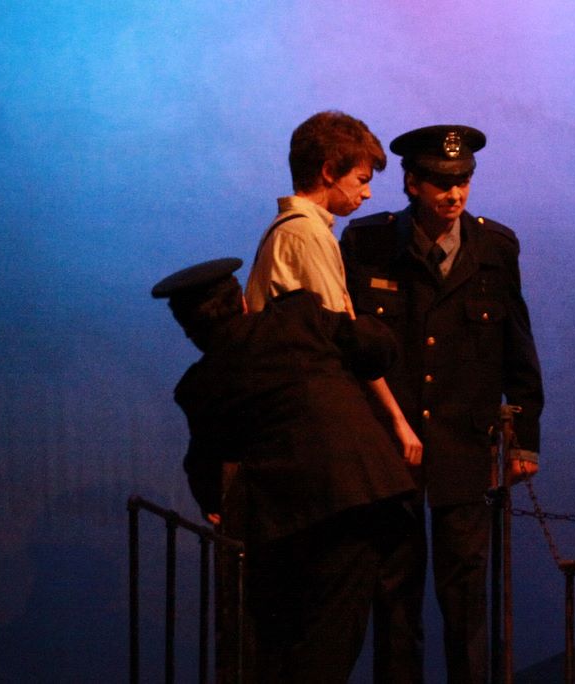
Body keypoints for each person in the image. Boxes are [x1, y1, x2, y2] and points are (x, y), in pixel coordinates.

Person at [340, 125, 545, 683]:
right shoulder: (369, 243)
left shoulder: (494, 247)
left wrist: (524, 440)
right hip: (392, 448)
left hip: (464, 443)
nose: (455, 194)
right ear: (411, 183)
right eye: (441, 182)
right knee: (395, 595)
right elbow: (349, 349)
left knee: (466, 598)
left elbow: (517, 346)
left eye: (464, 181)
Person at [152, 257, 417, 683]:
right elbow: (376, 349)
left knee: (292, 643)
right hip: (359, 493)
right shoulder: (298, 317)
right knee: (331, 640)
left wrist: (211, 501)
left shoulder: (200, 385)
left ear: (189, 331)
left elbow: (205, 463)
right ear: (242, 301)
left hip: (287, 523)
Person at [245, 110, 422, 465]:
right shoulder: (306, 234)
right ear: (328, 172)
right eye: (361, 179)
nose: (367, 193)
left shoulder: (290, 227)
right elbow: (341, 337)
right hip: (302, 422)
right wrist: (397, 419)